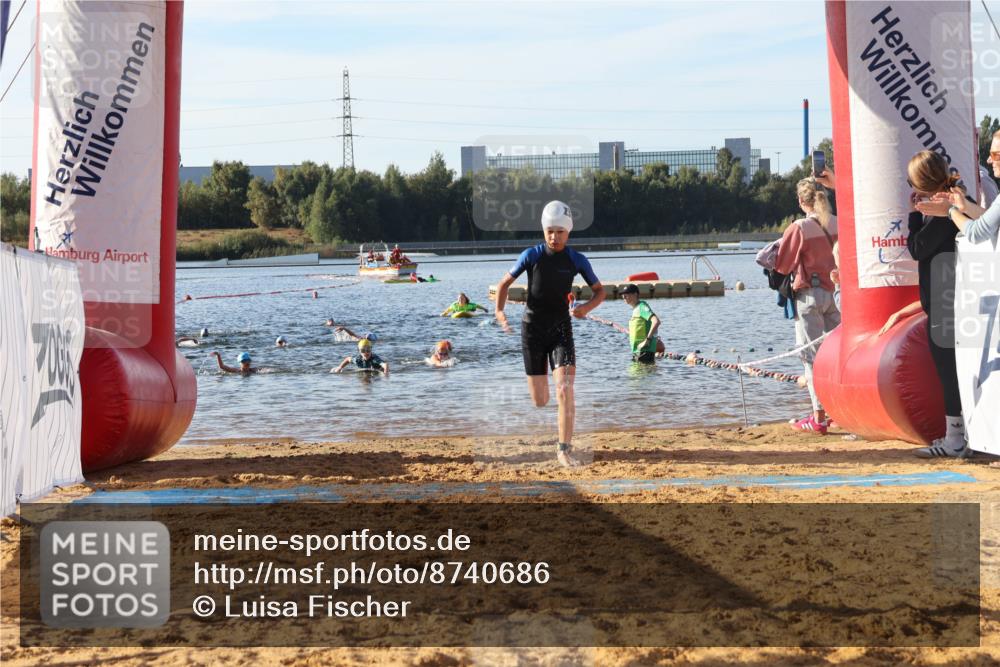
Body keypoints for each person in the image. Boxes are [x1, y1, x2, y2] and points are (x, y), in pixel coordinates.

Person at [494, 200, 605, 467]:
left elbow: (600, 291)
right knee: (541, 400)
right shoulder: (531, 255)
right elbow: (504, 283)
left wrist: (586, 308)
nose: (554, 237)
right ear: (544, 231)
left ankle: (564, 449)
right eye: (550, 231)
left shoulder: (577, 260)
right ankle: (548, 412)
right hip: (532, 330)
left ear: (568, 232)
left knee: (565, 389)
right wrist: (499, 313)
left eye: (560, 232)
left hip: (561, 330)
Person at [881, 150, 967, 457]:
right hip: (950, 299)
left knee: (949, 372)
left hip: (947, 303)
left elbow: (917, 248)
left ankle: (956, 439)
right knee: (955, 371)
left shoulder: (944, 212)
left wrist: (914, 212)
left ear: (922, 182)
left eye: (910, 181)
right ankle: (959, 435)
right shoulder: (953, 204)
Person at [775, 177, 840, 435]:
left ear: (802, 201)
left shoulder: (799, 227)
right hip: (831, 294)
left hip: (808, 296)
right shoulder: (835, 223)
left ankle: (819, 417)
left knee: (812, 359)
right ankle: (838, 411)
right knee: (835, 356)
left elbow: (782, 265)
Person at [620, 284, 661, 364]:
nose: (623, 297)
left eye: (626, 294)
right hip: (638, 351)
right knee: (635, 374)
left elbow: (656, 321)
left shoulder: (642, 307)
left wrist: (648, 340)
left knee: (639, 375)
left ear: (635, 294)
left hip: (644, 351)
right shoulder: (636, 309)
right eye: (622, 295)